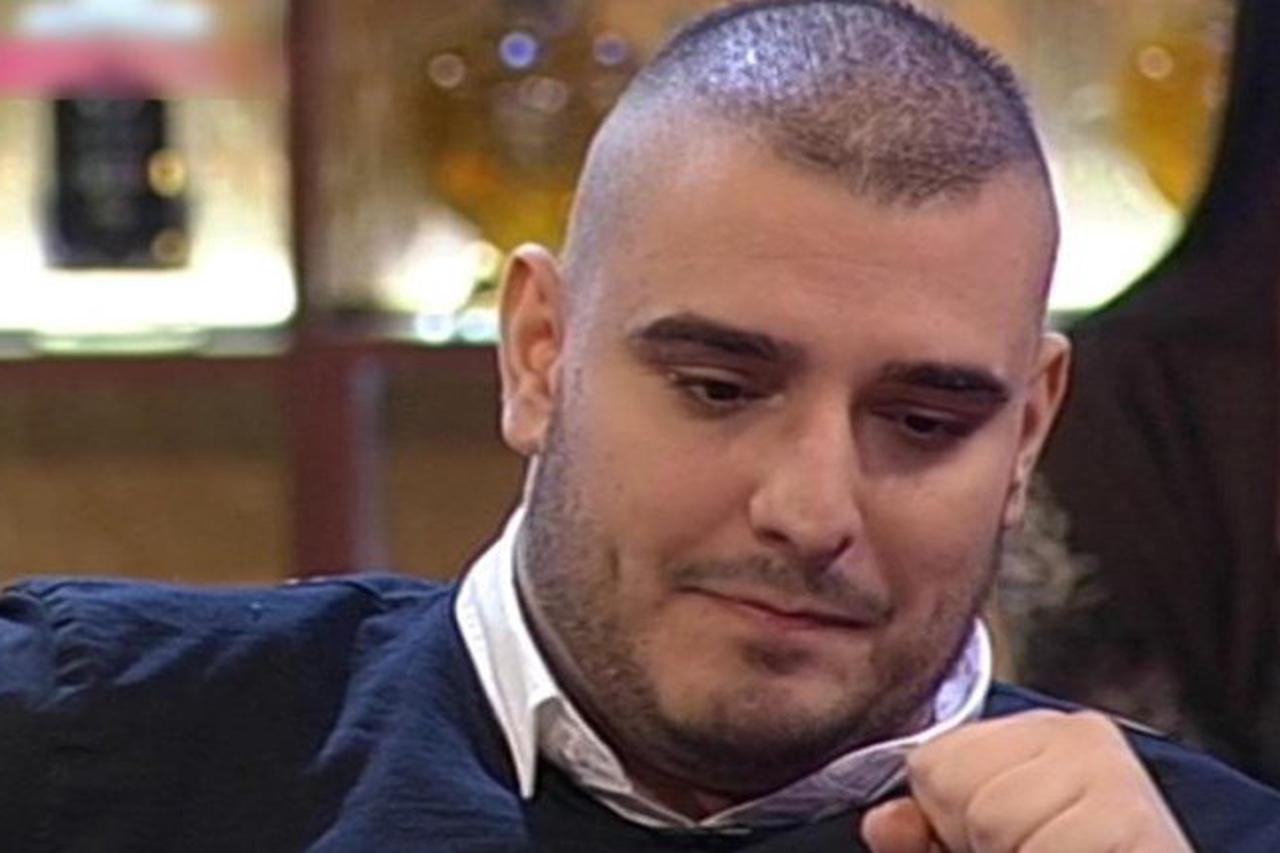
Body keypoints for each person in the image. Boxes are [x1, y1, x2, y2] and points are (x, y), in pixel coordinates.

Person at [1, 1, 1278, 850]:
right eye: (717, 389)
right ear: (538, 353)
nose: (810, 511)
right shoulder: (89, 735)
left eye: (922, 419)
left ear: (1027, 433)